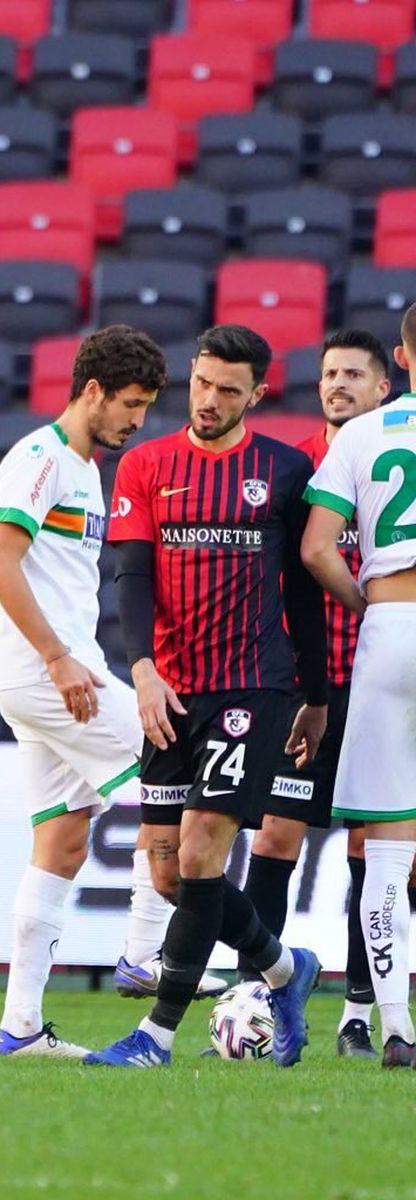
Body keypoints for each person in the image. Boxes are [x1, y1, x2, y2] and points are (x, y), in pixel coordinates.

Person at [87, 324, 325, 1068]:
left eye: (229, 389)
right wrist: (143, 668)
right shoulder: (145, 465)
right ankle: (287, 972)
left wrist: (313, 695)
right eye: (201, 383)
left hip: (251, 686)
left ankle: (154, 1039)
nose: (210, 400)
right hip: (171, 688)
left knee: (198, 852)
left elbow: (307, 597)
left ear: (257, 393)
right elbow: (130, 576)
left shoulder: (284, 473)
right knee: (165, 869)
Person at [0, 326, 173, 1059]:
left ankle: (20, 1028)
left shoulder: (87, 470)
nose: (137, 421)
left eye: (147, 407)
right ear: (90, 391)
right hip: (53, 676)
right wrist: (61, 660)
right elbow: (0, 567)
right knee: (174, 775)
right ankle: (143, 953)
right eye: (129, 404)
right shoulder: (39, 460)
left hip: (57, 675)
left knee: (61, 844)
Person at [242, 329, 390, 1059]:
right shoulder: (296, 466)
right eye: (330, 373)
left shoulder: (396, 464)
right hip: (307, 687)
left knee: (375, 849)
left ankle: (357, 1015)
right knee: (273, 837)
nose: (338, 384)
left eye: (354, 375)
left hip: (381, 688)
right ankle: (260, 1009)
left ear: (382, 389)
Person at [301, 304, 416, 1068]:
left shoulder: (363, 435)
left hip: (392, 630)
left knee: (382, 850)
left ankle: (396, 1028)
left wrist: (369, 603)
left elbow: (316, 549)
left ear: (402, 357)